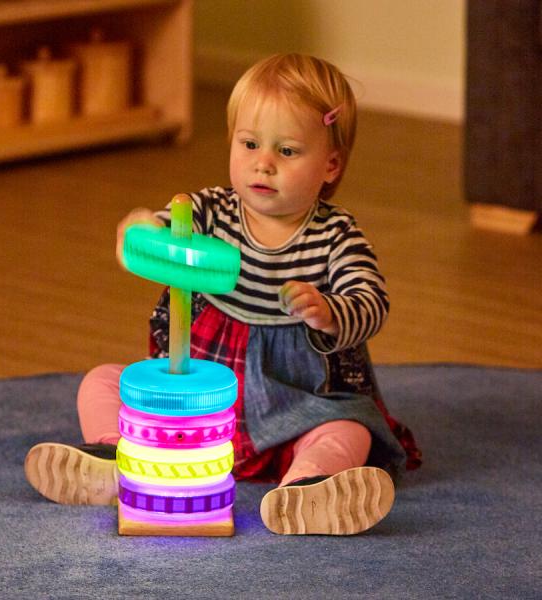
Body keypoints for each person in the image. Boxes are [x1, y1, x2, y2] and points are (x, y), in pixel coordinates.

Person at [25, 53, 421, 535]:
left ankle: (307, 488)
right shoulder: (211, 211)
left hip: (297, 401)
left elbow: (371, 300)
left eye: (288, 151)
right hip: (200, 398)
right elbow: (162, 231)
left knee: (349, 430)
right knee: (103, 382)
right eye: (250, 143)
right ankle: (116, 456)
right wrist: (141, 228)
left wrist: (331, 312)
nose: (264, 163)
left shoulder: (337, 235)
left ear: (331, 165)